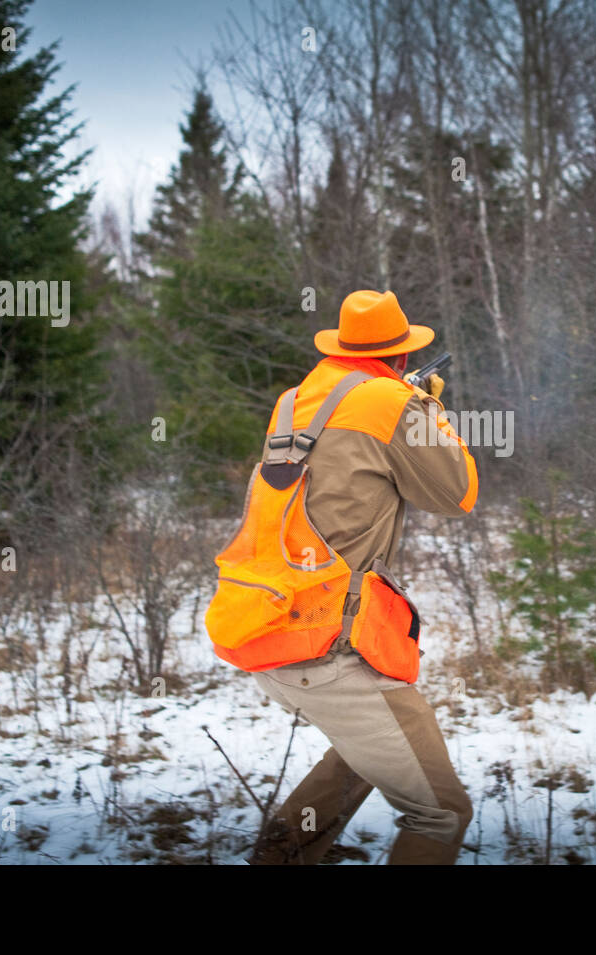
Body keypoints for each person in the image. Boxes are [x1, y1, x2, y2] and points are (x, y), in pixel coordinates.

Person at [246, 288, 478, 865]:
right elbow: (457, 495)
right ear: (400, 358)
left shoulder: (294, 400)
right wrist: (427, 412)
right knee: (442, 811)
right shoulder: (393, 404)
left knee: (367, 753)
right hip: (331, 646)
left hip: (271, 629)